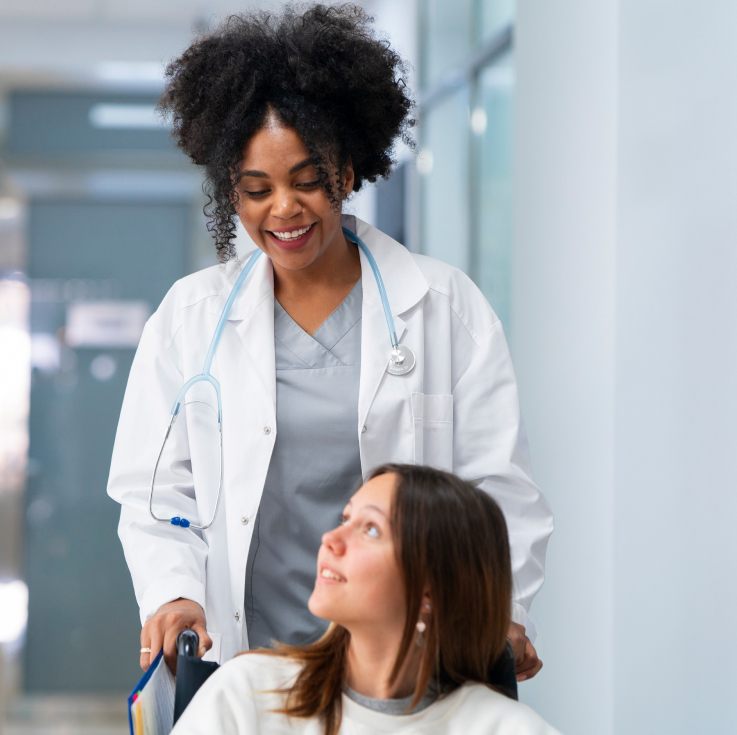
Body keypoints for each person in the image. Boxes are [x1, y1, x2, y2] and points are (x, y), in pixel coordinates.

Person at [107, 3, 553, 681]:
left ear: (346, 170)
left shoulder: (442, 306)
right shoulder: (188, 319)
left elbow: (496, 488)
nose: (282, 209)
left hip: (407, 658)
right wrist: (173, 590)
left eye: (306, 180)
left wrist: (506, 608)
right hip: (246, 656)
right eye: (255, 190)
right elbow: (154, 494)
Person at [170, 465, 558, 735]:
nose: (330, 540)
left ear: (431, 591)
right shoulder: (245, 695)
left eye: (370, 529)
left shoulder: (507, 728)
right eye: (345, 519)